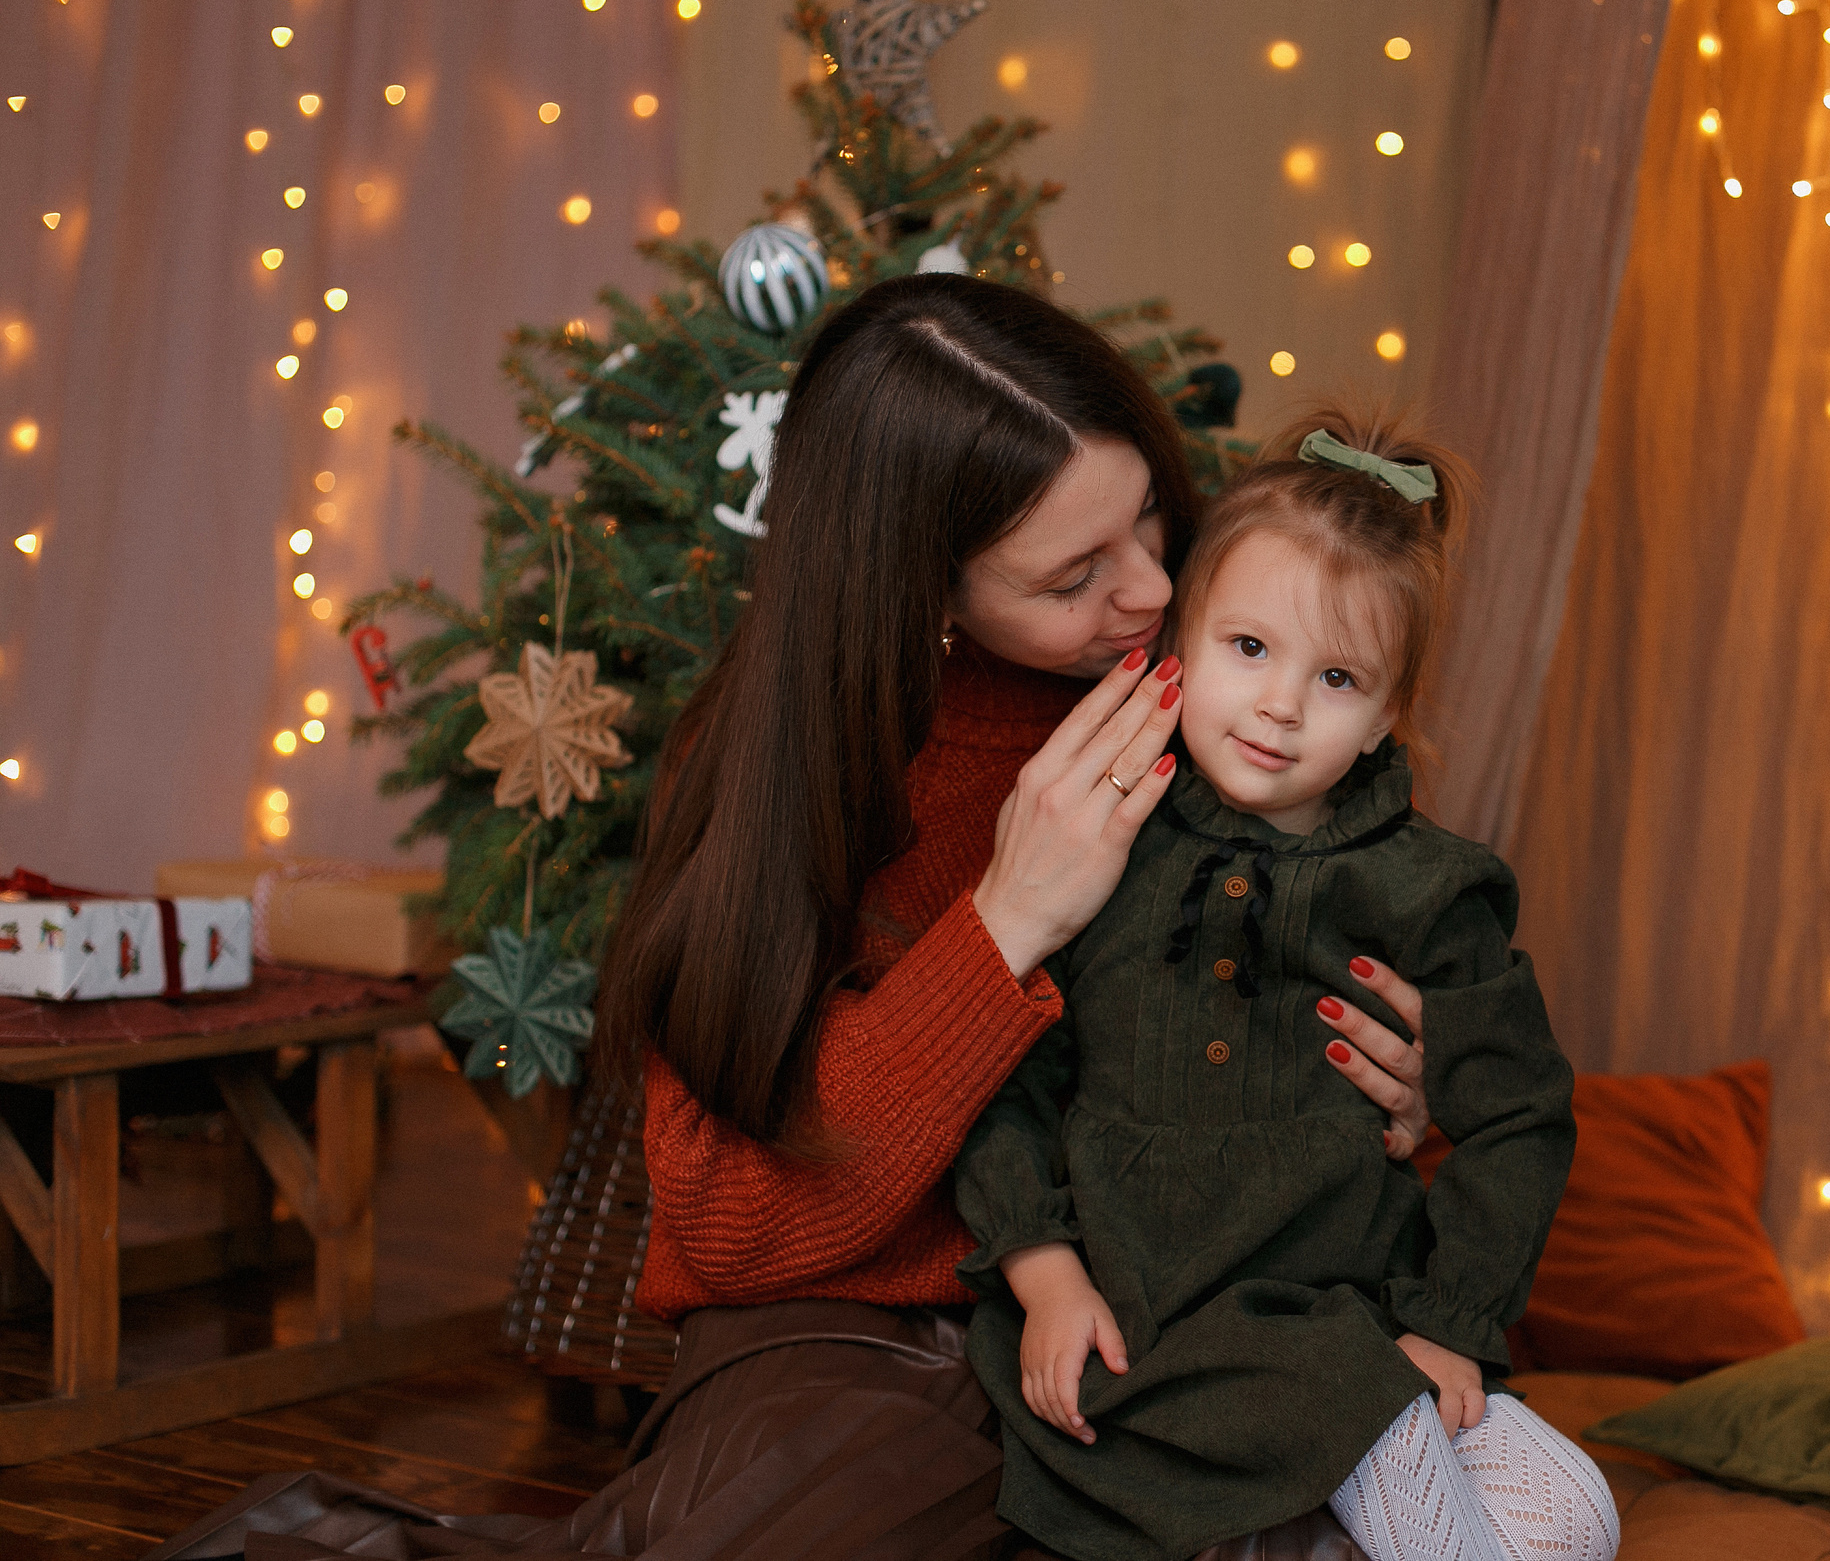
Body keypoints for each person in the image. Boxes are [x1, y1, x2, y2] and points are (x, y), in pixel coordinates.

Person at [148, 276, 1432, 1561]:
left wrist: (1402, 1098)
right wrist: (1000, 928)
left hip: (1172, 1317)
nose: (1152, 591)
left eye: (1152, 517)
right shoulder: (774, 760)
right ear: (924, 586)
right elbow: (731, 1227)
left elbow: (1353, 1034)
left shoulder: (1243, 691)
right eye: (1072, 575)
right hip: (847, 1331)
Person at [954, 411, 1619, 1561]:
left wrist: (1449, 1323)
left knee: (1576, 1516)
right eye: (1248, 648)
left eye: (1338, 677)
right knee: (1412, 1485)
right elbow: (1003, 1073)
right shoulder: (1105, 834)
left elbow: (1519, 1114)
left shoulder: (1430, 890)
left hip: (1347, 1315)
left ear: (1384, 720)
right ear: (1180, 645)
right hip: (1150, 1316)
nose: (1278, 706)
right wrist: (1043, 1271)